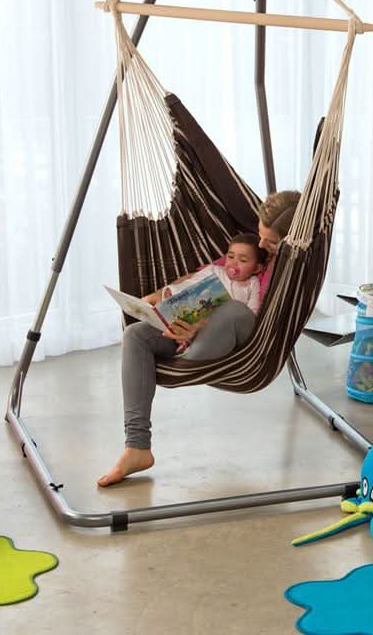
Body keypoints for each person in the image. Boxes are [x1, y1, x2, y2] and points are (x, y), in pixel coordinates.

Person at [97, 190, 301, 487]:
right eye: (260, 235)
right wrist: (159, 298)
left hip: (244, 340)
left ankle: (185, 357)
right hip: (194, 333)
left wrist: (199, 327)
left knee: (231, 308)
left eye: (270, 241)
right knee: (136, 335)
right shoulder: (244, 252)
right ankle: (137, 446)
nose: (261, 245)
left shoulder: (289, 266)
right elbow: (204, 275)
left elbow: (261, 319)